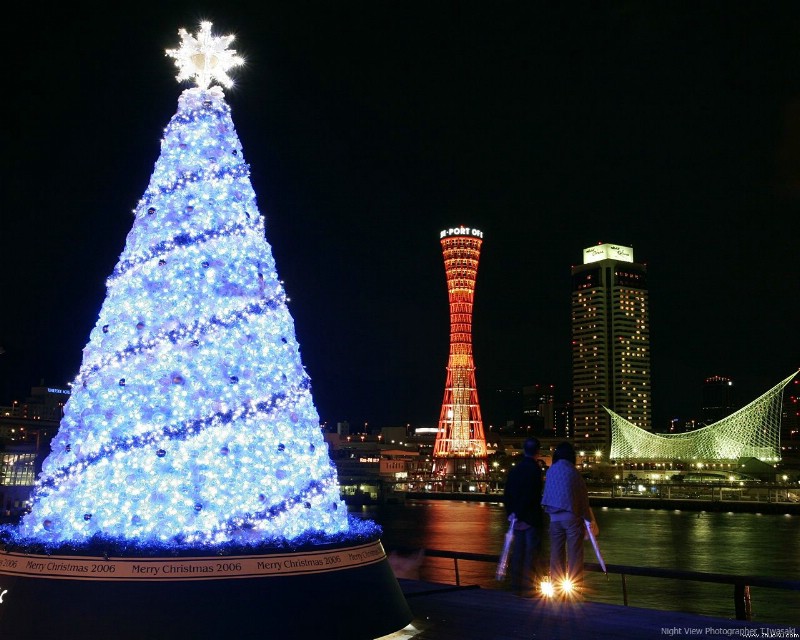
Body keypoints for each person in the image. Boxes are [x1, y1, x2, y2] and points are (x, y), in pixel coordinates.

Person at [541, 441, 599, 590]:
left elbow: (547, 494)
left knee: (556, 553)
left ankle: (556, 586)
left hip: (554, 518)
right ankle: (575, 588)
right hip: (571, 517)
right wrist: (588, 520)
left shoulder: (551, 470)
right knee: (575, 554)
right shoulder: (573, 472)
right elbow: (582, 498)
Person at [502, 437, 544, 596]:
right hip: (530, 518)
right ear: (538, 452)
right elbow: (532, 495)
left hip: (516, 519)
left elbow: (507, 494)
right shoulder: (535, 470)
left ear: (523, 450)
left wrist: (512, 513)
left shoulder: (515, 470)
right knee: (531, 554)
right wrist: (520, 512)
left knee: (518, 553)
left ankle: (515, 586)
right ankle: (528, 588)